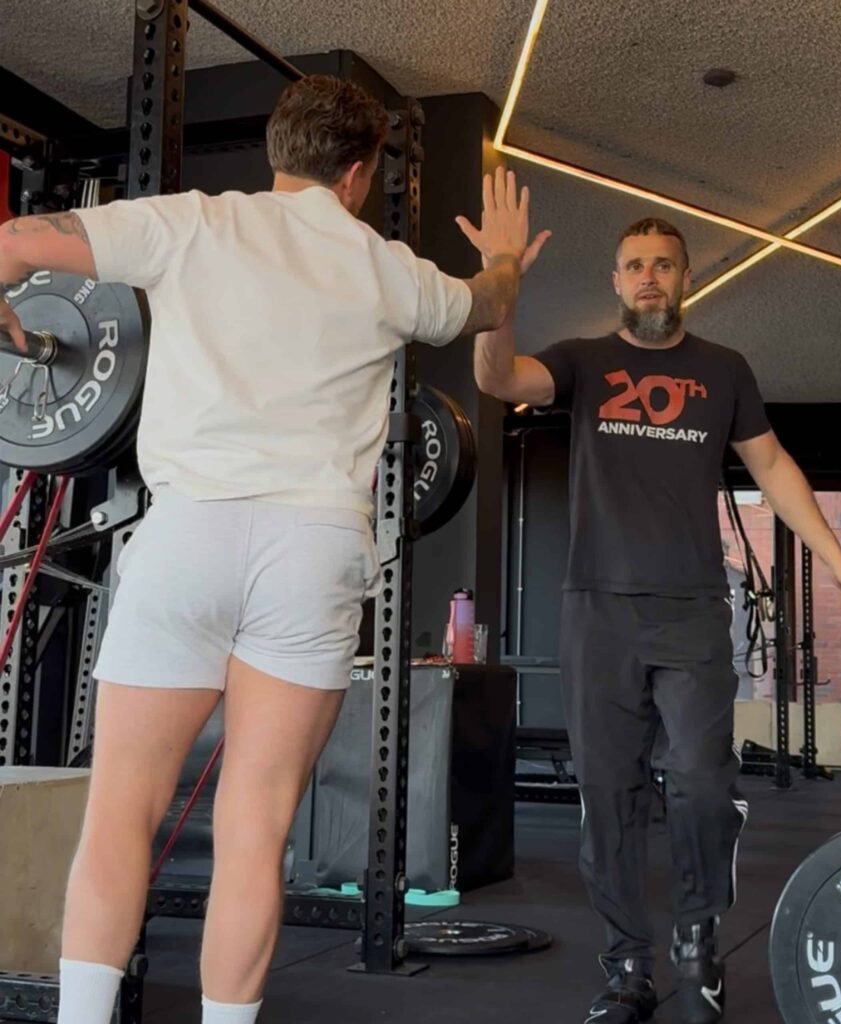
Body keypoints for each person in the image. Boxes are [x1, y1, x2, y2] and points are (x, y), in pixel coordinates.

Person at [0, 75, 547, 1024]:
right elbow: (487, 305)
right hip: (313, 548)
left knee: (121, 813)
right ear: (359, 173)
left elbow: (13, 245)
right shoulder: (390, 270)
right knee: (255, 833)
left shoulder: (194, 223)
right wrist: (503, 260)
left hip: (189, 533)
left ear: (276, 153)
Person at [473, 216, 841, 1024]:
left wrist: (839, 562)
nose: (650, 276)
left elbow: (772, 464)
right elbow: (499, 379)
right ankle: (627, 964)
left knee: (700, 781)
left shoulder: (723, 369)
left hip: (693, 610)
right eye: (635, 266)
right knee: (609, 794)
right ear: (617, 283)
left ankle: (698, 945)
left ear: (684, 277)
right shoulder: (585, 361)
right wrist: (501, 280)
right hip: (598, 610)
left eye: (664, 264)